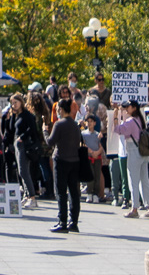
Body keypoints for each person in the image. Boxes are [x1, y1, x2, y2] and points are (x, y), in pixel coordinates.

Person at [47, 95, 82, 234]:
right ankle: (73, 222)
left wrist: (45, 131)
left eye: (57, 109)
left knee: (61, 192)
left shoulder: (59, 124)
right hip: (75, 160)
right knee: (74, 192)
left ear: (61, 110)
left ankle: (62, 221)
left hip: (61, 159)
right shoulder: (75, 124)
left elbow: (50, 141)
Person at [115, 101, 149, 219]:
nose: (126, 109)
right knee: (145, 180)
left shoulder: (131, 121)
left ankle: (134, 208)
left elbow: (119, 130)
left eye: (127, 107)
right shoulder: (139, 119)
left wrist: (116, 119)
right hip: (143, 152)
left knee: (133, 180)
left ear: (134, 107)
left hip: (134, 152)